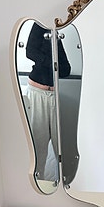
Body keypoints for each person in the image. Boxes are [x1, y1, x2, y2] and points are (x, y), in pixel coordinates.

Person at [25, 23, 71, 180]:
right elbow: (30, 51)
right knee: (38, 147)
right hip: (37, 93)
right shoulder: (39, 25)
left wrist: (51, 63)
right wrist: (52, 63)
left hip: (54, 96)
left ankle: (61, 183)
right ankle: (38, 184)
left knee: (60, 146)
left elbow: (66, 69)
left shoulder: (56, 35)